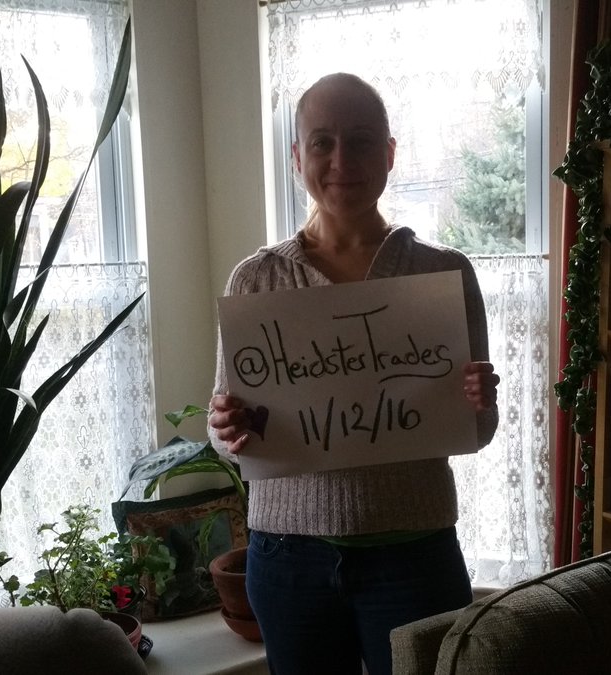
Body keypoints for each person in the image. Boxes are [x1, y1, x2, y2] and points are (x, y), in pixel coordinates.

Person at [207, 72, 499, 675]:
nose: (343, 161)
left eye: (362, 141)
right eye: (323, 142)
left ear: (389, 154)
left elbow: (477, 430)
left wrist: (479, 402)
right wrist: (224, 427)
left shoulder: (443, 275)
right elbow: (226, 429)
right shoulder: (256, 280)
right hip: (288, 560)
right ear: (297, 157)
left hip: (414, 555)